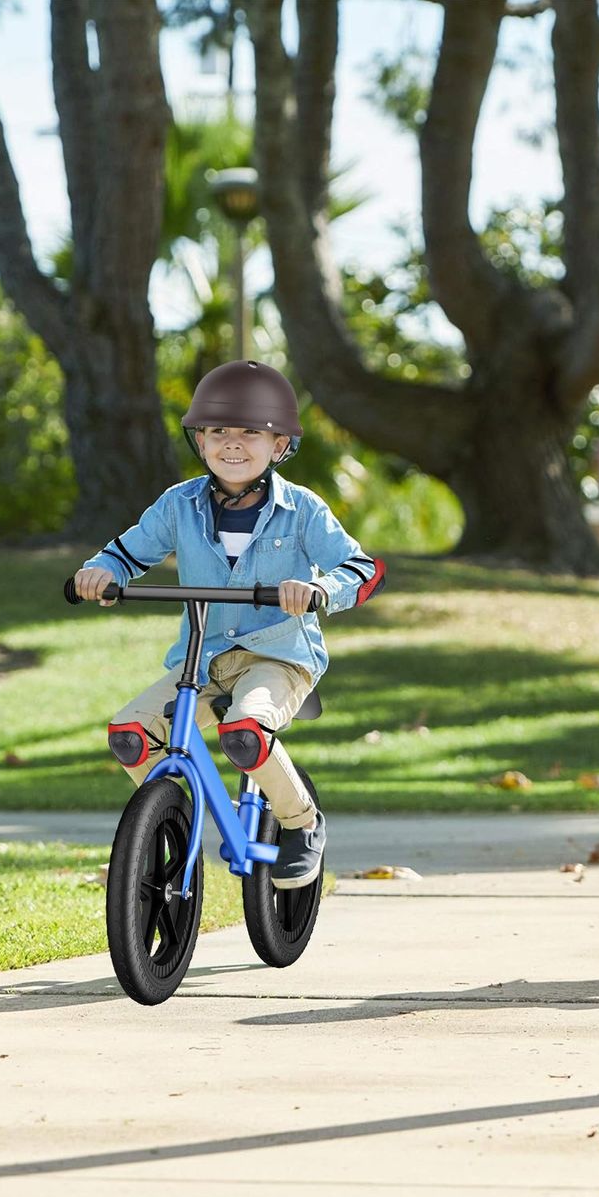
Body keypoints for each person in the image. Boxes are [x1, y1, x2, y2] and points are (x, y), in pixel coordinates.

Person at [74, 360, 386, 889]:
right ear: (201, 441)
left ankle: (301, 822)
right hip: (204, 658)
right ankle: (167, 819)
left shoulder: (303, 509)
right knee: (130, 735)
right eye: (219, 432)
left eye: (251, 433)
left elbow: (361, 569)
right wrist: (100, 573)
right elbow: (128, 552)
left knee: (244, 732)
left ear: (280, 444)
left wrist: (317, 591)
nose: (233, 444)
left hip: (279, 657)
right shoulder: (180, 504)